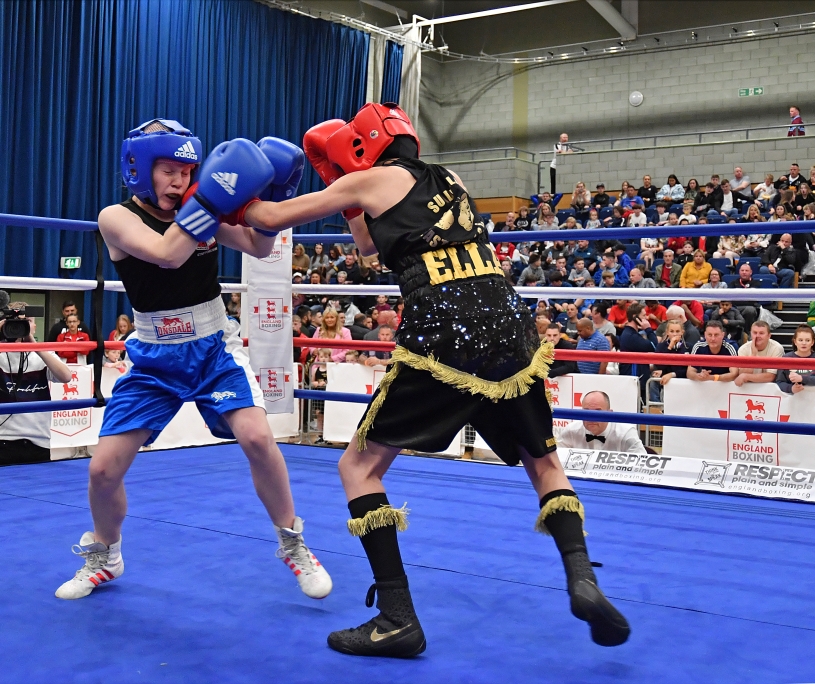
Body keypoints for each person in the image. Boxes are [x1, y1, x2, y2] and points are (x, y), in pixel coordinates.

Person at [245, 103, 630, 655]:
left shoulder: (371, 177)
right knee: (543, 461)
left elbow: (267, 221)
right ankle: (583, 580)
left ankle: (397, 619)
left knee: (358, 466)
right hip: (508, 323)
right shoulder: (449, 179)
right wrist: (344, 188)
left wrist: (222, 193)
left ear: (363, 145)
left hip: (447, 327)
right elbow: (370, 248)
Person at [56, 120, 331, 602]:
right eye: (167, 170)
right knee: (102, 471)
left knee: (257, 436)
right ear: (140, 170)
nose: (179, 181)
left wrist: (270, 206)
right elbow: (167, 255)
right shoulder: (115, 218)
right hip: (153, 359)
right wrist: (213, 201)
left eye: (187, 170)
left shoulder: (199, 208)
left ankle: (294, 544)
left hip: (212, 348)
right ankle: (106, 552)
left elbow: (259, 247)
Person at [0, 300, 74, 466]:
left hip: (38, 440)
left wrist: (34, 345)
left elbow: (66, 376)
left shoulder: (42, 354)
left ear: (34, 327)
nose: (21, 326)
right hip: (4, 439)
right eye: (16, 322)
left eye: (28, 322)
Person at [557, 391, 646, 454]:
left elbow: (642, 466)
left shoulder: (626, 433)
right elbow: (556, 462)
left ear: (609, 414)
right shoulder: (571, 431)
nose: (591, 418)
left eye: (598, 412)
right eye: (586, 412)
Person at [618, 302, 657, 394]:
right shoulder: (630, 336)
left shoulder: (632, 333)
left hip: (637, 377)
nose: (646, 318)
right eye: (643, 315)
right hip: (635, 378)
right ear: (635, 317)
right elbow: (654, 346)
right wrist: (648, 329)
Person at [775, 325, 815, 393]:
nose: (804, 343)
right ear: (795, 342)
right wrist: (791, 388)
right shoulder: (785, 358)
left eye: (807, 340)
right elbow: (780, 382)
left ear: (812, 342)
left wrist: (802, 378)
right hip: (792, 399)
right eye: (800, 340)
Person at [732, 320, 784, 386]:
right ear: (750, 334)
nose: (757, 336)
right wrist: (753, 356)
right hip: (749, 389)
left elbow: (771, 376)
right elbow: (742, 373)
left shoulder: (777, 348)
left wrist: (746, 377)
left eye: (761, 333)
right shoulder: (743, 349)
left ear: (769, 336)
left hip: (770, 389)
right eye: (755, 333)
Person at [649, 320, 689, 402]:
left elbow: (688, 370)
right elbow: (660, 366)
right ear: (667, 332)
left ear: (682, 332)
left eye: (677, 331)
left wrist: (672, 374)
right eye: (672, 331)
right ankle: (656, 408)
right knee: (653, 381)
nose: (674, 334)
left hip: (682, 380)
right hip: (665, 380)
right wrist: (670, 347)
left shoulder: (688, 347)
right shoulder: (661, 346)